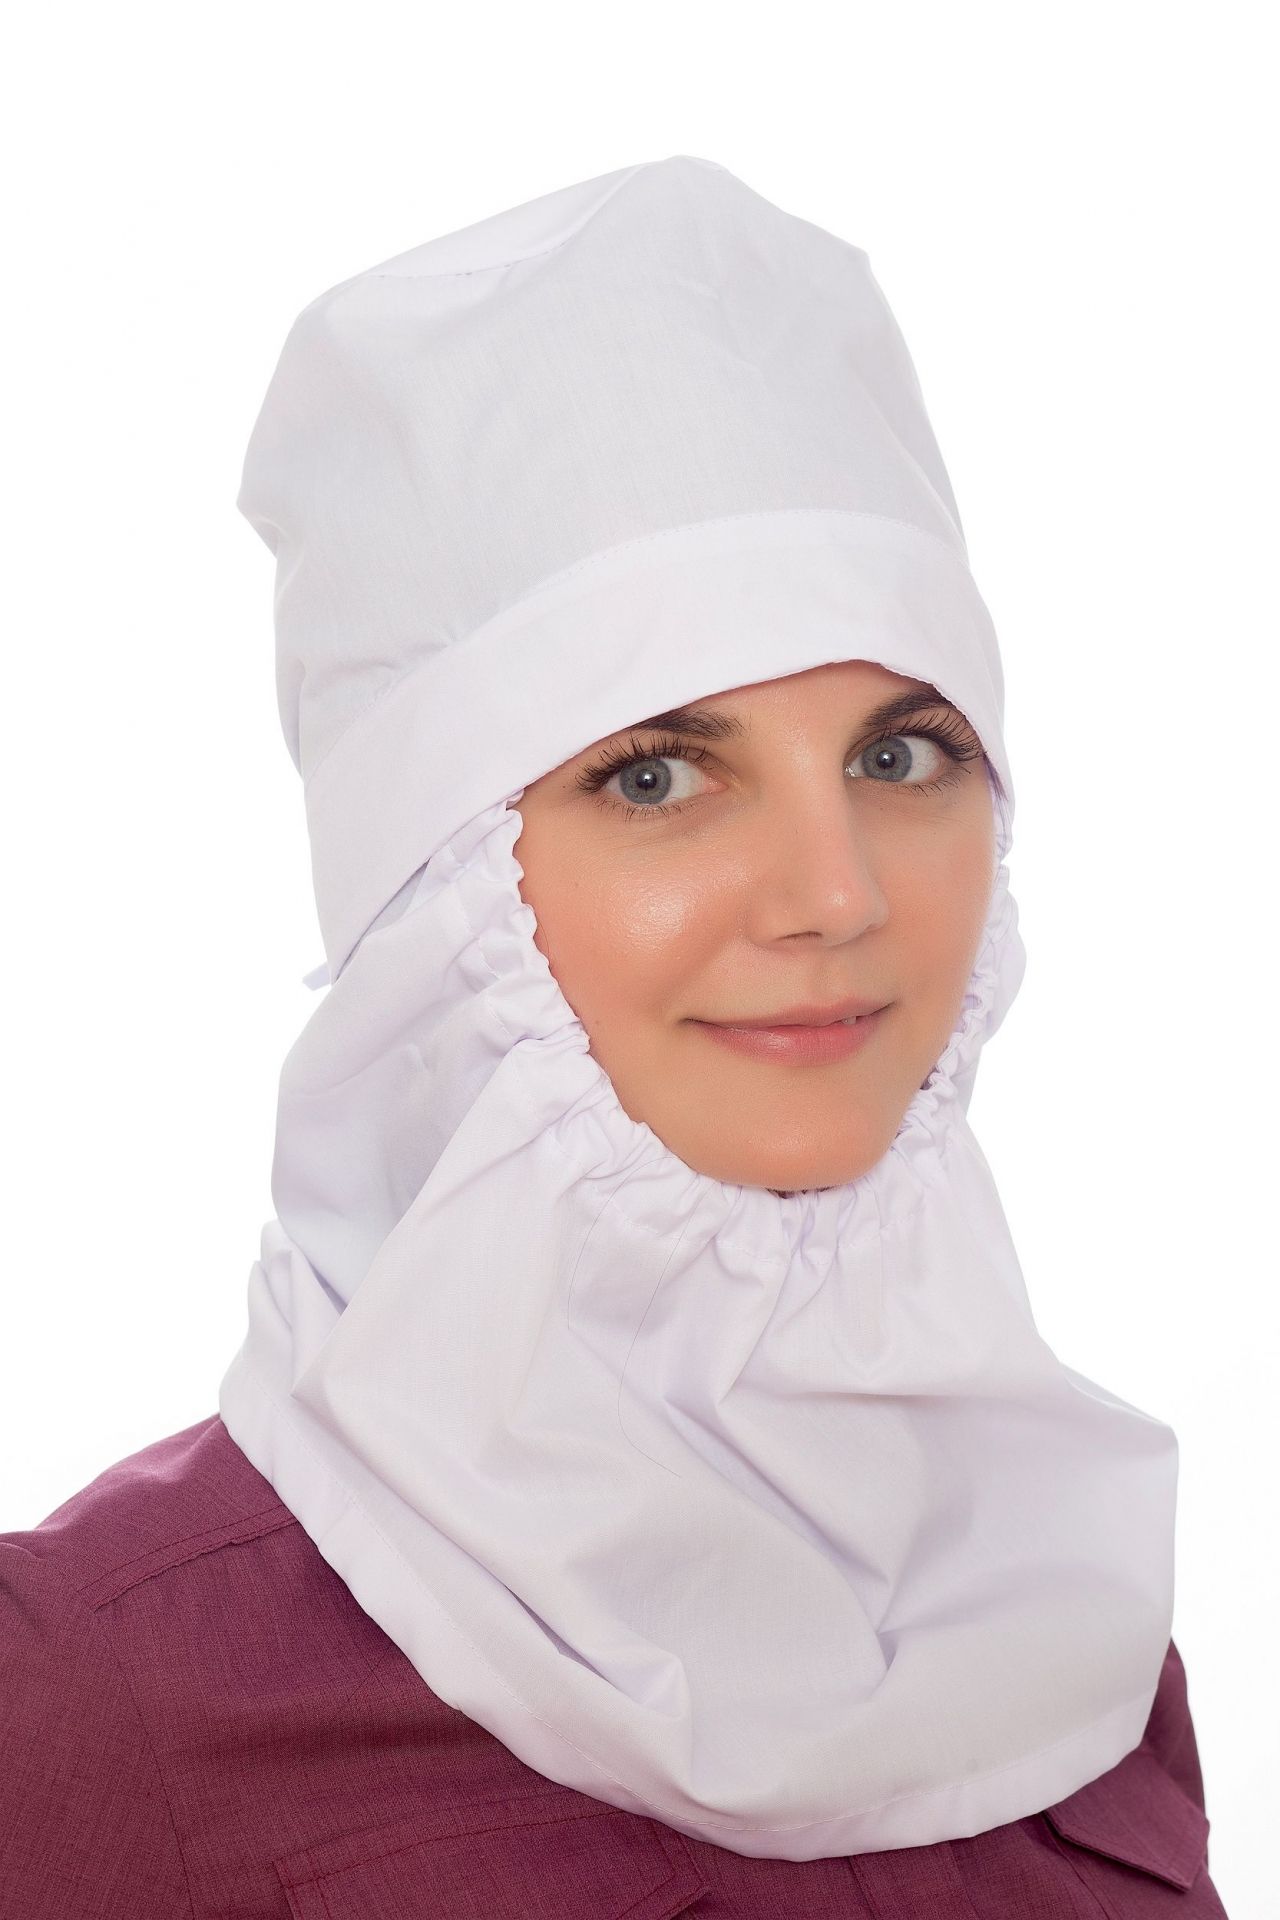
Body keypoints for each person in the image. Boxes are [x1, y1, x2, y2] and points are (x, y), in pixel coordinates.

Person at [0, 155, 1228, 1916]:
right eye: (655, 775)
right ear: (437, 899)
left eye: (901, 755)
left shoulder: (1069, 1644)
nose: (836, 893)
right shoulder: (98, 1702)